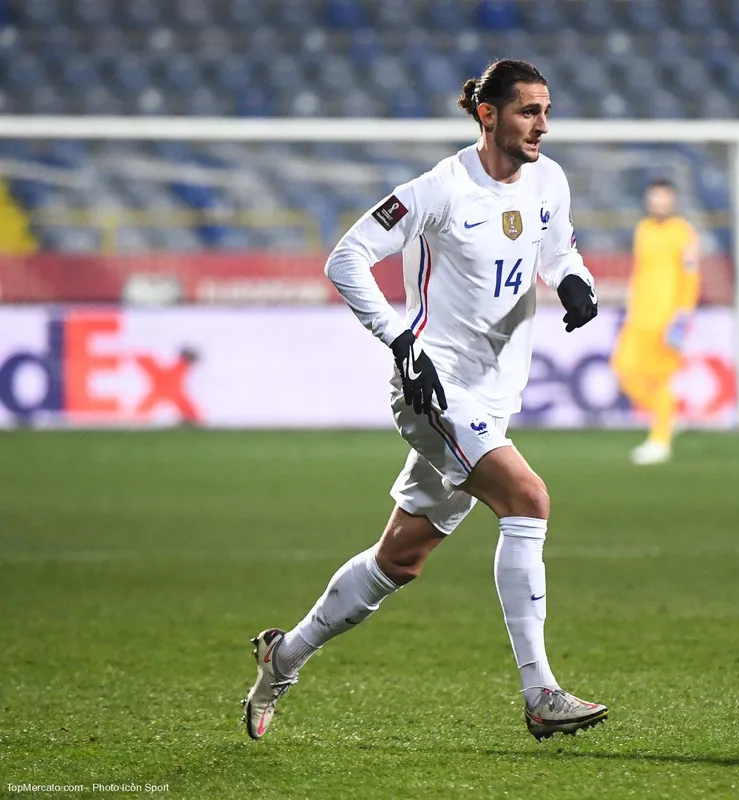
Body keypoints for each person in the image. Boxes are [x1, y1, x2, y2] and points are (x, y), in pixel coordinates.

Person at [242, 59, 606, 743]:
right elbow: (346, 258)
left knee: (399, 561)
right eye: (528, 110)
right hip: (433, 390)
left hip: (493, 400)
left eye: (546, 110)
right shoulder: (440, 189)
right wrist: (400, 339)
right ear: (488, 114)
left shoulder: (549, 181)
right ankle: (541, 694)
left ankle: (281, 655)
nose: (541, 124)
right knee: (528, 500)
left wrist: (576, 279)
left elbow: (559, 251)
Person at [610, 179, 700, 465]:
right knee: (622, 369)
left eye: (664, 198)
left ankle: (660, 440)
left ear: (672, 201)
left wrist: (683, 315)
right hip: (639, 316)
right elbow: (640, 271)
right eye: (655, 198)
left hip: (666, 318)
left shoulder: (683, 233)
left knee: (661, 379)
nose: (659, 203)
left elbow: (691, 276)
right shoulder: (643, 229)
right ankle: (666, 417)